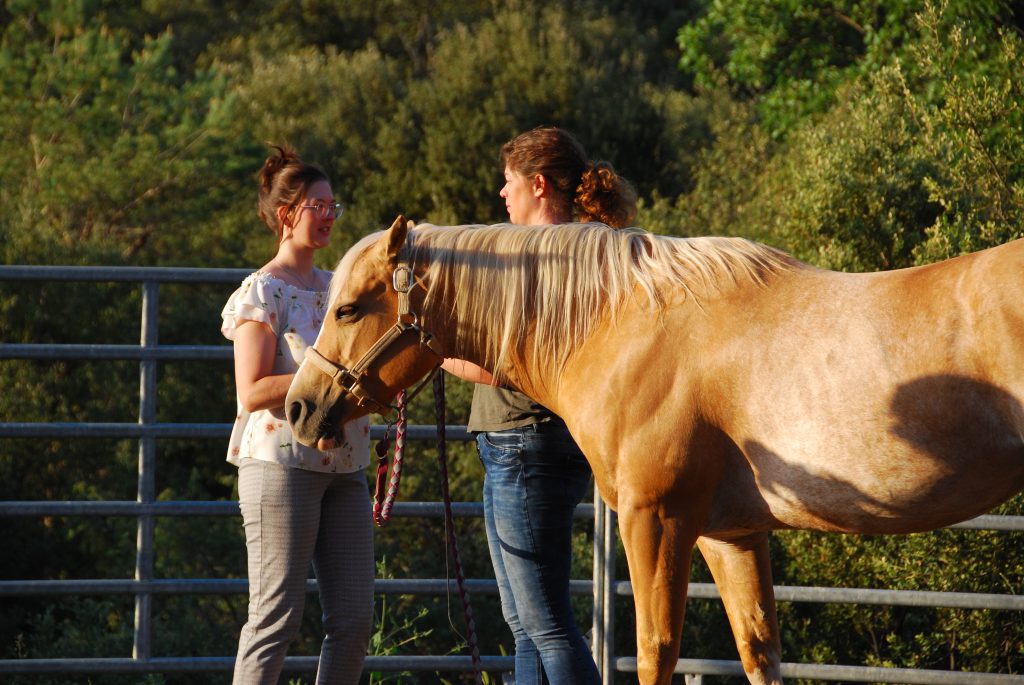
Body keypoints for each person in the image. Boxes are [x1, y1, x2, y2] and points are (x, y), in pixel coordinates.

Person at [444, 126, 637, 684]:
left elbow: (519, 365)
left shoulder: (547, 257)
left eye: (508, 183)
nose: (502, 195)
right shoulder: (573, 250)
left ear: (537, 184)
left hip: (525, 445)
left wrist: (435, 350)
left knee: (546, 624)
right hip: (516, 446)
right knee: (526, 624)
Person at [220, 145, 374, 685]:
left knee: (355, 621)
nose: (330, 216)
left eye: (334, 206)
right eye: (319, 205)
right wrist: (327, 377)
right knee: (275, 621)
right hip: (280, 466)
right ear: (288, 214)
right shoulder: (261, 293)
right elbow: (252, 390)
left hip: (347, 468)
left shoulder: (342, 290)